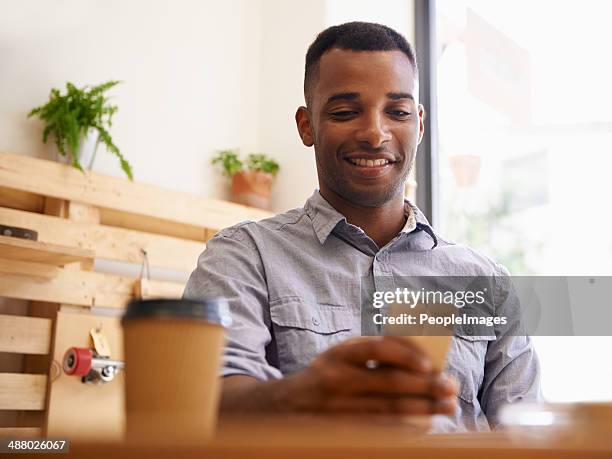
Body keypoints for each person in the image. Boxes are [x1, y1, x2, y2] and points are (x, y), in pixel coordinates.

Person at [184, 21, 540, 432]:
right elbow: (205, 404)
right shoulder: (244, 257)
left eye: (398, 112)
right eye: (345, 112)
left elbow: (526, 434)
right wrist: (303, 396)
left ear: (419, 124)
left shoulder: (487, 283)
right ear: (306, 125)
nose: (375, 133)